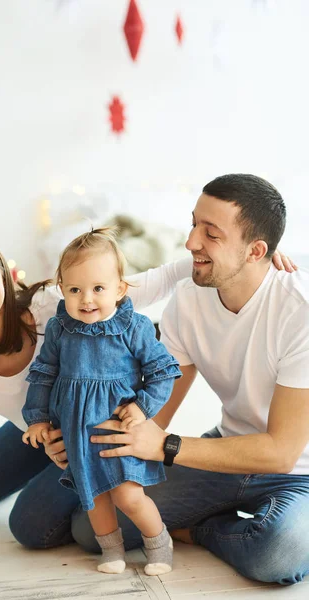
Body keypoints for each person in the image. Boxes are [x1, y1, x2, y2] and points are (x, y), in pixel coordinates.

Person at [0, 227, 293, 551]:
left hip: (91, 434)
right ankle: (61, 475)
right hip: (36, 432)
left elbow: (154, 280)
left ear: (3, 274)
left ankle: (135, 510)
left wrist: (247, 260)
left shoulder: (57, 303)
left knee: (30, 526)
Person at [72, 173, 309, 587]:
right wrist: (106, 440)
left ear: (256, 251)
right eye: (193, 224)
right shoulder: (190, 295)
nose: (191, 242)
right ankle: (211, 526)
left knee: (277, 552)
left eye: (210, 234)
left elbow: (280, 453)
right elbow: (156, 411)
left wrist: (164, 446)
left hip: (299, 474)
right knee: (91, 528)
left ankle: (199, 529)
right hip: (226, 450)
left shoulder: (298, 312)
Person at [21, 227, 181, 575]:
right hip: (77, 432)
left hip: (118, 431)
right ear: (61, 289)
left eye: (98, 288)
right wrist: (37, 418)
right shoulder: (60, 329)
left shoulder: (132, 326)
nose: (86, 299)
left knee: (128, 496)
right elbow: (43, 374)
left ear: (120, 289)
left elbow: (163, 370)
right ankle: (112, 552)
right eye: (75, 289)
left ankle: (159, 544)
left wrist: (141, 407)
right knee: (93, 498)